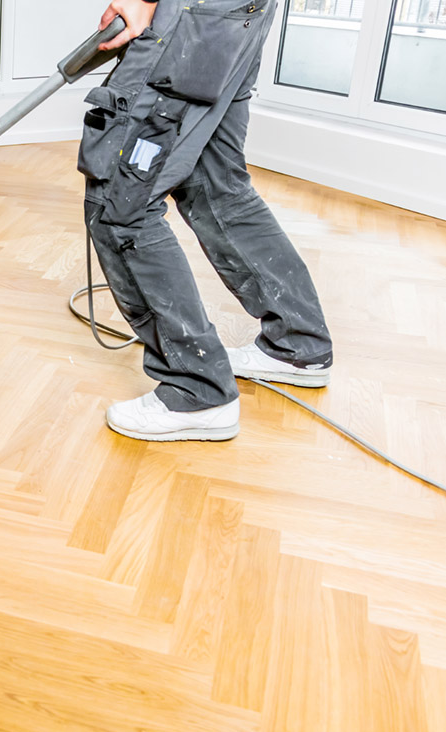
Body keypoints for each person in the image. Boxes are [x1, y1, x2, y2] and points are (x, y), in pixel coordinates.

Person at [81, 0, 333, 441]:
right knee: (215, 182)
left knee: (122, 200)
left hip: (195, 13)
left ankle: (197, 390)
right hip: (235, 14)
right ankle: (298, 342)